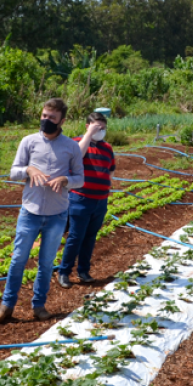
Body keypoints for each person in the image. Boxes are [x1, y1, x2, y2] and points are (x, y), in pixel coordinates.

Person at [0, 99, 84, 323]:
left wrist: (65, 179)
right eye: (44, 116)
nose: (46, 120)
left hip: (57, 214)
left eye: (52, 117)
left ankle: (39, 305)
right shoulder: (29, 141)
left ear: (62, 120)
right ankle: (7, 306)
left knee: (46, 262)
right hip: (30, 212)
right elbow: (13, 172)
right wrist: (29, 170)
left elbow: (80, 179)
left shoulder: (71, 146)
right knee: (18, 259)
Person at [56, 111, 116, 288]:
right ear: (87, 126)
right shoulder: (77, 142)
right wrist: (89, 135)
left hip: (100, 200)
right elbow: (77, 156)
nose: (100, 131)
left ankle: (83, 271)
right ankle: (64, 272)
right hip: (81, 198)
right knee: (75, 237)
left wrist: (105, 184)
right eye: (97, 127)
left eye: (103, 128)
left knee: (90, 237)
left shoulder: (107, 147)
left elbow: (111, 169)